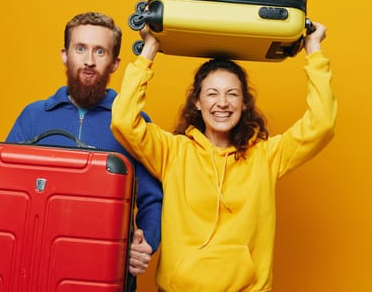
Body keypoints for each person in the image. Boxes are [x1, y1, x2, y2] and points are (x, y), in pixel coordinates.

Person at [0, 11, 162, 290]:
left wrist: (146, 243)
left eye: (100, 51)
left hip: (101, 277)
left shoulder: (132, 123)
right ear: (64, 54)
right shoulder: (33, 116)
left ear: (115, 63)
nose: (89, 61)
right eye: (80, 48)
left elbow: (153, 201)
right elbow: (0, 192)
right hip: (32, 274)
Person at [110, 22, 337, 291]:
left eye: (232, 94)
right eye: (212, 94)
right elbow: (123, 121)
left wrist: (314, 50)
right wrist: (149, 50)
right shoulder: (173, 152)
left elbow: (321, 124)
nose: (222, 103)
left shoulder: (266, 156)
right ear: (197, 102)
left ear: (244, 103)